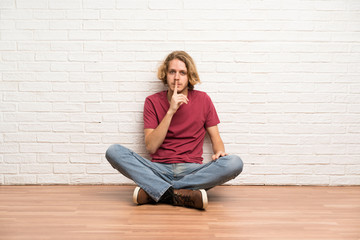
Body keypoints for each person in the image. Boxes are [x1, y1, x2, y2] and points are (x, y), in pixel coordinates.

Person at [105, 51, 243, 210]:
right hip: (158, 169)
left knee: (234, 162)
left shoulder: (203, 99)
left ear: (189, 76)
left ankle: (157, 191)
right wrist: (170, 111)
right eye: (172, 72)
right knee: (113, 151)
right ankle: (182, 194)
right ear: (166, 74)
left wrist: (220, 152)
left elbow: (216, 138)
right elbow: (151, 147)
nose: (177, 77)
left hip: (192, 171)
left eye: (182, 73)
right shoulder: (152, 101)